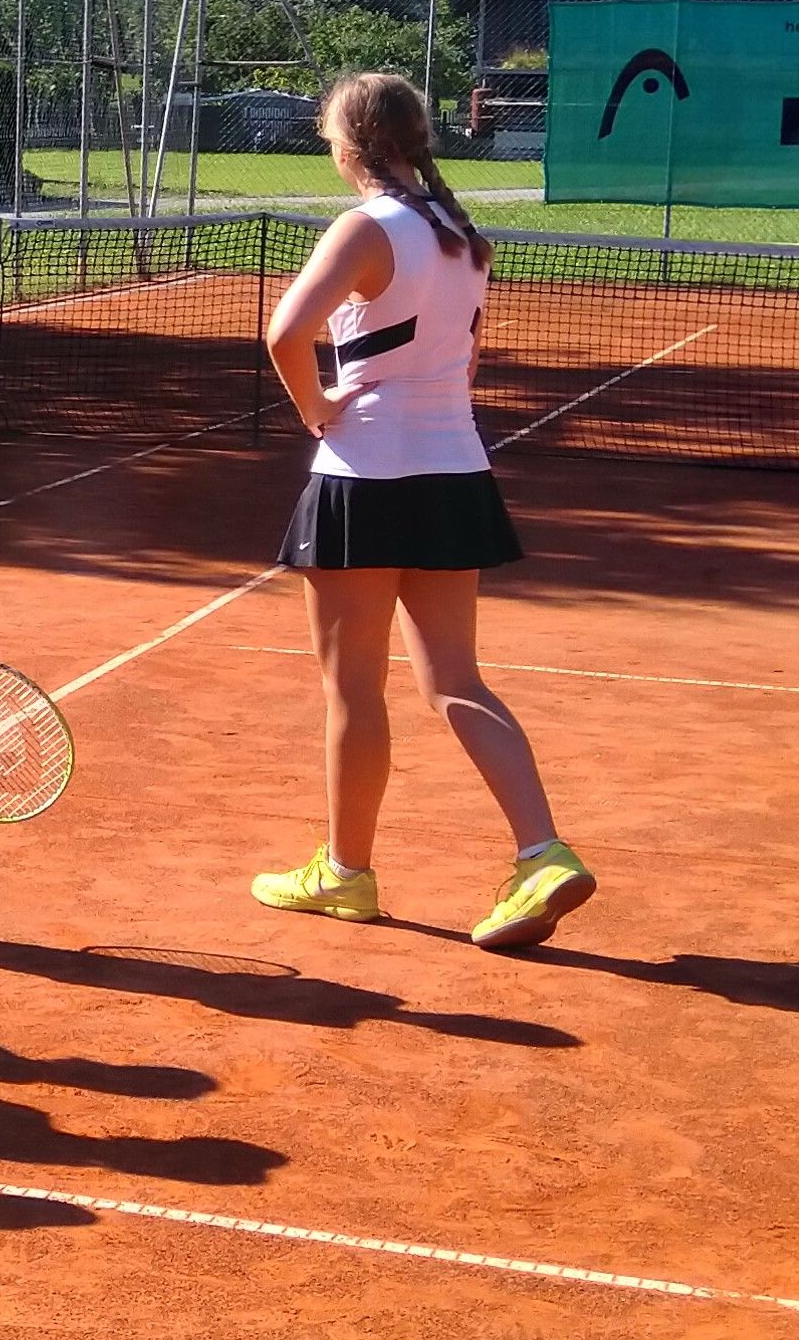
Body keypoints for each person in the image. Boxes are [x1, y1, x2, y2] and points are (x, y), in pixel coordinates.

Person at [248, 72, 593, 950]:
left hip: (364, 473)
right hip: (454, 472)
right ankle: (542, 851)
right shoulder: (463, 236)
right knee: (456, 680)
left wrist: (316, 408)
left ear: (351, 144)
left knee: (353, 688)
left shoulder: (366, 227)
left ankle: (345, 873)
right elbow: (466, 364)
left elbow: (286, 332)